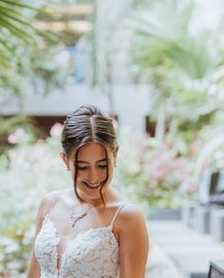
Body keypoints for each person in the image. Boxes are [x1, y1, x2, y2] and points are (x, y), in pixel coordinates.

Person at [26, 104, 149, 278]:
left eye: (102, 165)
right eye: (83, 166)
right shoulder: (49, 204)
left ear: (115, 156)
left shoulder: (127, 217)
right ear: (65, 160)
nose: (94, 177)